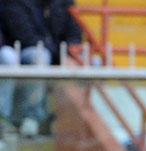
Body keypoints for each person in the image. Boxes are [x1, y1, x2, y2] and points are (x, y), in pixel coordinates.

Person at [0, 0, 84, 137]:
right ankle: (24, 118)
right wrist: (61, 56)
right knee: (38, 56)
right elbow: (26, 37)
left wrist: (71, 51)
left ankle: (70, 124)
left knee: (87, 59)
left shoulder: (64, 2)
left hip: (53, 51)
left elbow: (75, 33)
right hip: (23, 50)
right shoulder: (16, 3)